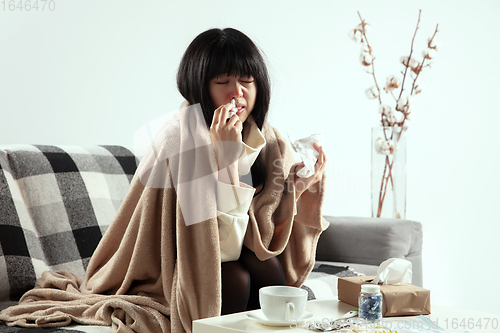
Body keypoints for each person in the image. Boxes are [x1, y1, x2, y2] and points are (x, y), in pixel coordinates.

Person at [0, 28, 328, 333]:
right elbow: (210, 242)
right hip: (169, 267)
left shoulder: (269, 140)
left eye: (246, 80)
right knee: (237, 279)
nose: (237, 92)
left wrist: (298, 187)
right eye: (223, 81)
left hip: (226, 252)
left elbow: (259, 237)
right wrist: (226, 163)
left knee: (267, 269)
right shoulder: (182, 138)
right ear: (200, 86)